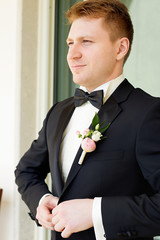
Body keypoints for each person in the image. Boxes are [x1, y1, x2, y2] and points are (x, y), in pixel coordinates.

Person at [15, 0, 160, 240]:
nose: (73, 54)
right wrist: (41, 200)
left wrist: (95, 212)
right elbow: (26, 171)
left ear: (120, 48)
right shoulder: (57, 112)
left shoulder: (149, 112)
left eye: (87, 42)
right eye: (70, 43)